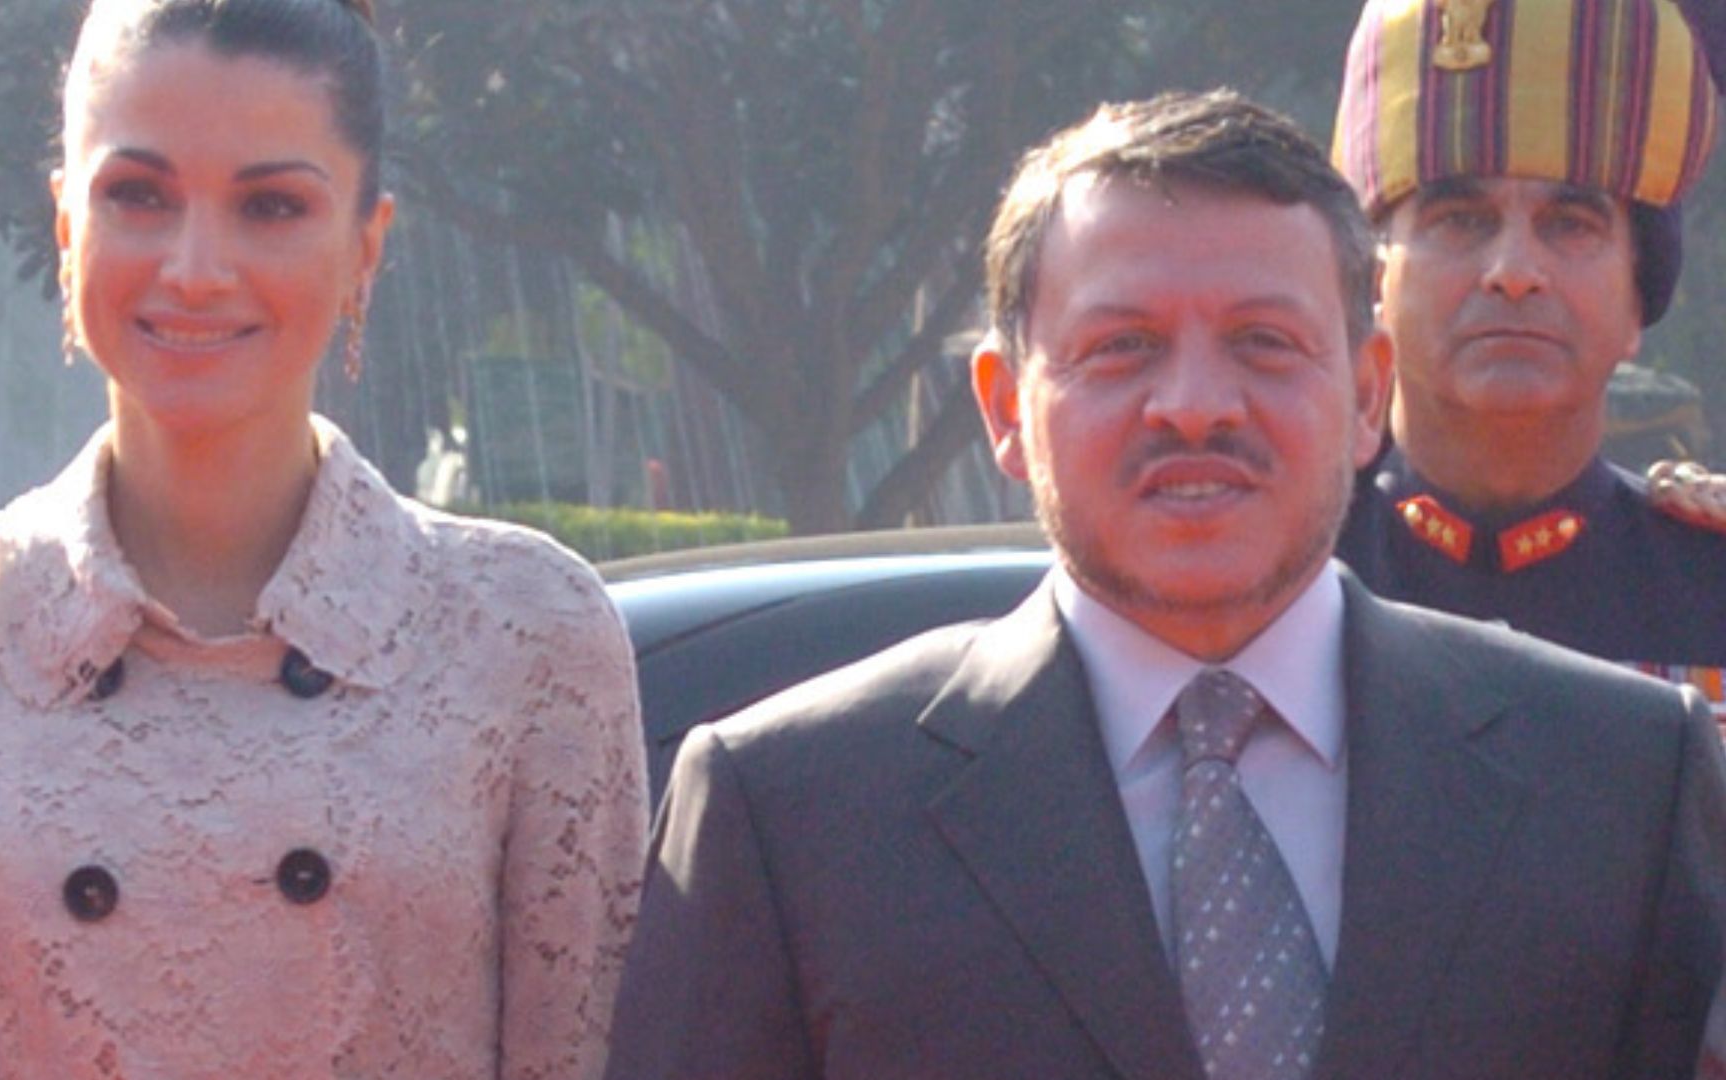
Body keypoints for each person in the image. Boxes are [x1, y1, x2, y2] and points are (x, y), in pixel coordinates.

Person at [602, 89, 1726, 1080]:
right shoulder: (793, 813)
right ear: (1003, 406)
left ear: (1367, 393)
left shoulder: (1620, 778)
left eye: (1265, 342)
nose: (1196, 405)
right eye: (1122, 348)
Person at [0, 1, 646, 1076]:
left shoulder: (526, 629)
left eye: (272, 206)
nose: (196, 268)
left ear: (366, 247)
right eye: (139, 196)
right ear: (66, 225)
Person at [1330, 0, 1726, 712]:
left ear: (1637, 301)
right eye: (1460, 221)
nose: (1513, 269)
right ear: (1375, 281)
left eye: (1569, 225)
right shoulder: (1270, 578)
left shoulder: (1711, 585)